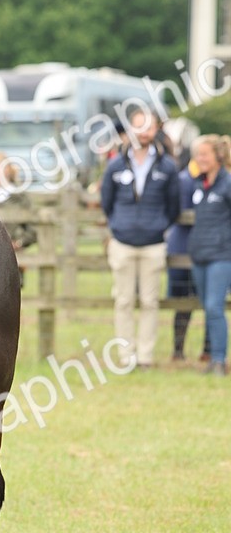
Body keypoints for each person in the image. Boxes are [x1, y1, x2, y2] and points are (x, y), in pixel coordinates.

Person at [100, 108, 180, 368]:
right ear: (130, 129)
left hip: (153, 244)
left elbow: (174, 206)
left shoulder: (168, 166)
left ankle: (145, 356)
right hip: (122, 243)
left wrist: (158, 226)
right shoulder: (115, 164)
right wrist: (119, 225)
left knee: (149, 302)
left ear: (156, 130)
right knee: (123, 301)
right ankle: (126, 355)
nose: (144, 132)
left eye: (149, 127)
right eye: (139, 126)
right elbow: (107, 202)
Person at [188, 134, 231, 377]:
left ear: (218, 155)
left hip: (222, 255)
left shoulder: (227, 183)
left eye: (205, 154)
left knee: (215, 307)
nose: (200, 159)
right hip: (200, 254)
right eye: (197, 155)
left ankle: (219, 360)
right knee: (207, 307)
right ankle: (213, 358)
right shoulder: (198, 184)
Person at [167, 155, 210, 364]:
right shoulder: (184, 180)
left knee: (212, 301)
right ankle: (178, 350)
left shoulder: (217, 180)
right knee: (183, 300)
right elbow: (180, 212)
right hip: (183, 246)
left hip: (208, 248)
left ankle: (208, 350)